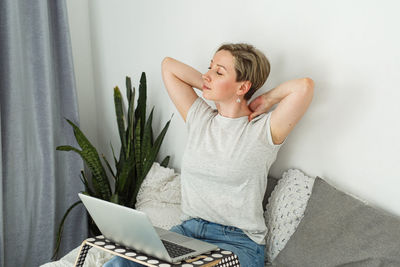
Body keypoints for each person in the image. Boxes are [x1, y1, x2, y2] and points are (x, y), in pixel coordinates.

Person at [103, 43, 314, 267]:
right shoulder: (200, 118)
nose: (207, 75)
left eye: (219, 71)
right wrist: (213, 83)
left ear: (243, 87)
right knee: (119, 263)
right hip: (187, 233)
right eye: (209, 67)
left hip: (238, 243)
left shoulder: (262, 130)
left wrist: (266, 99)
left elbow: (304, 87)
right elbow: (169, 67)